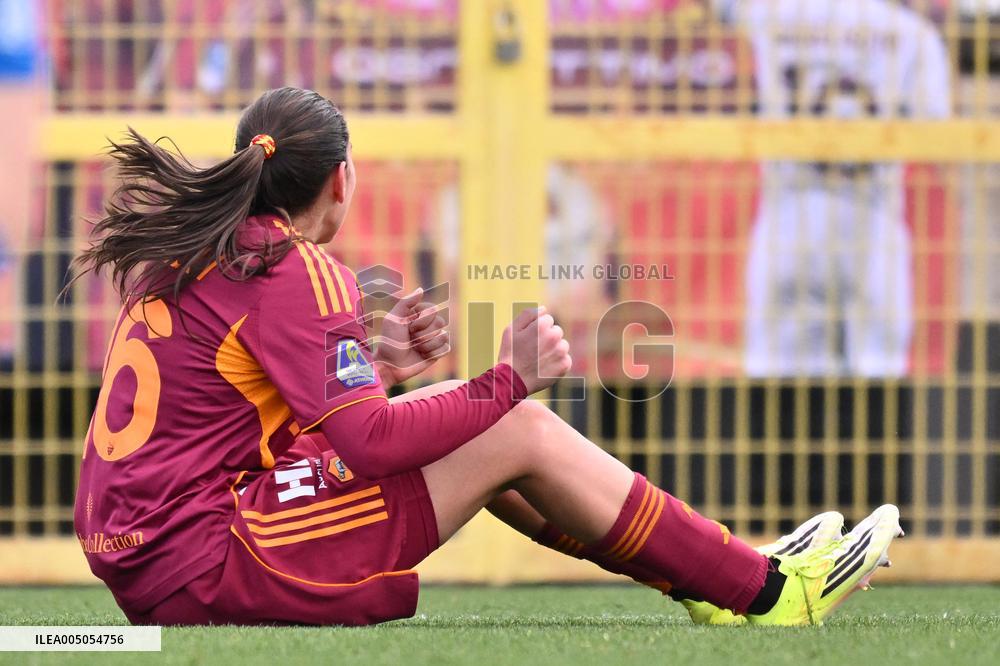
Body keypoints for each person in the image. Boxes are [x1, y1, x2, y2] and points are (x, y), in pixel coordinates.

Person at [71, 87, 900, 627]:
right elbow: (369, 444)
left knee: (474, 423)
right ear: (343, 179)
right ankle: (768, 593)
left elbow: (230, 423)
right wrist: (511, 379)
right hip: (210, 564)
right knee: (514, 429)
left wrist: (379, 367)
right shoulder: (295, 267)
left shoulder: (199, 248)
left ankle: (724, 578)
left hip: (153, 559)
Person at [713, 0, 952, 377]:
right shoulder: (913, 34)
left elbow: (717, 9)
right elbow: (939, 140)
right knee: (879, 380)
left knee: (782, 390)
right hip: (873, 220)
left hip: (790, 218)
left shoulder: (770, 13)